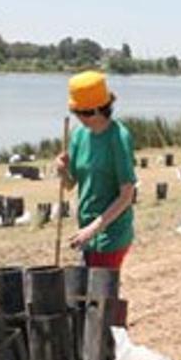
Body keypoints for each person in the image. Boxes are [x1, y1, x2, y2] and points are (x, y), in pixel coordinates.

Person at [55, 70, 137, 324]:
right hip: (87, 230)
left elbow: (126, 195)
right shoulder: (79, 136)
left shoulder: (118, 137)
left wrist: (94, 228)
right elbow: (71, 185)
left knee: (103, 294)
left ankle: (113, 342)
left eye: (78, 112)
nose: (76, 118)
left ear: (93, 111)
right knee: (91, 293)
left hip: (111, 232)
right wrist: (62, 170)